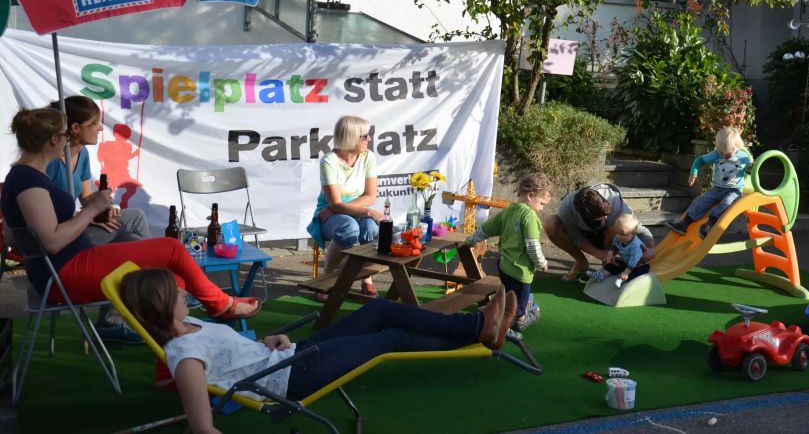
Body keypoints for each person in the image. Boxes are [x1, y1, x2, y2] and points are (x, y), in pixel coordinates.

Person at [120, 268, 517, 434]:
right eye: (177, 292)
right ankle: (479, 330)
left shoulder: (194, 325)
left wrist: (266, 340)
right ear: (162, 304)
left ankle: (478, 329)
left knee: (378, 309)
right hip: (290, 378)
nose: (185, 292)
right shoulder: (183, 357)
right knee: (390, 339)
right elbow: (201, 425)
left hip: (288, 355)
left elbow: (230, 355)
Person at [0, 108, 260, 322]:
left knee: (172, 280)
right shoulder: (28, 181)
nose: (67, 142)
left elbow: (17, 234)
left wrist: (86, 216)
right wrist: (91, 209)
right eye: (64, 136)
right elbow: (51, 241)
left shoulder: (23, 177)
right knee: (172, 248)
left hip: (66, 266)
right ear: (54, 140)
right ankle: (220, 304)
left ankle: (172, 363)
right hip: (64, 274)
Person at [46, 96, 153, 342]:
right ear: (75, 128)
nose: (100, 128)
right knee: (134, 238)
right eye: (94, 124)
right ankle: (149, 298)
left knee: (133, 235)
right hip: (63, 239)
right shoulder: (50, 160)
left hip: (78, 226)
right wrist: (89, 216)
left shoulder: (81, 153)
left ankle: (117, 318)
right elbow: (51, 216)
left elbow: (85, 197)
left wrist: (104, 206)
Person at [306, 116, 382, 298]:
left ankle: (367, 278)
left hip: (333, 210)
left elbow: (371, 196)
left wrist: (337, 207)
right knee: (349, 228)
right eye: (364, 136)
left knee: (371, 228)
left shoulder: (368, 156)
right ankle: (325, 280)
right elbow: (336, 203)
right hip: (330, 215)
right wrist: (363, 210)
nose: (369, 139)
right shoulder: (329, 161)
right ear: (350, 137)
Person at [466, 173, 551, 332]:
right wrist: (542, 263)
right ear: (531, 196)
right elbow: (532, 245)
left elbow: (486, 229)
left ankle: (503, 309)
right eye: (541, 203)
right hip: (521, 271)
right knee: (520, 305)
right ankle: (520, 319)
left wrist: (471, 239)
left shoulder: (508, 211)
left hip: (504, 266)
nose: (542, 209)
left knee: (509, 293)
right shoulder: (529, 216)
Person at [544, 183, 656, 282]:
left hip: (609, 237)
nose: (607, 217)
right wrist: (600, 255)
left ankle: (608, 263)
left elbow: (639, 229)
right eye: (603, 216)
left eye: (607, 213)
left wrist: (651, 251)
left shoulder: (613, 199)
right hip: (586, 235)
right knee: (550, 224)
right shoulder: (567, 210)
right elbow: (579, 240)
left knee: (614, 227)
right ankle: (581, 262)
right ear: (587, 216)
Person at [665, 127, 752, 239]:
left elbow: (750, 171)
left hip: (734, 190)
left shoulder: (743, 158)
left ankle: (710, 225)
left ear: (737, 146)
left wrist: (750, 168)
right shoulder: (717, 154)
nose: (724, 155)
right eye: (722, 151)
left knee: (727, 203)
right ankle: (684, 224)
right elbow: (699, 161)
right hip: (716, 189)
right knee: (699, 201)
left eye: (728, 152)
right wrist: (693, 173)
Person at [579, 213, 651, 287]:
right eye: (617, 233)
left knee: (635, 275)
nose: (619, 236)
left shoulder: (636, 245)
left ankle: (623, 280)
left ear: (633, 233)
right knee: (613, 265)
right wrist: (610, 254)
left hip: (638, 265)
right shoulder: (618, 238)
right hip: (625, 262)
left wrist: (626, 272)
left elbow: (633, 260)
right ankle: (600, 275)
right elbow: (614, 245)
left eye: (623, 234)